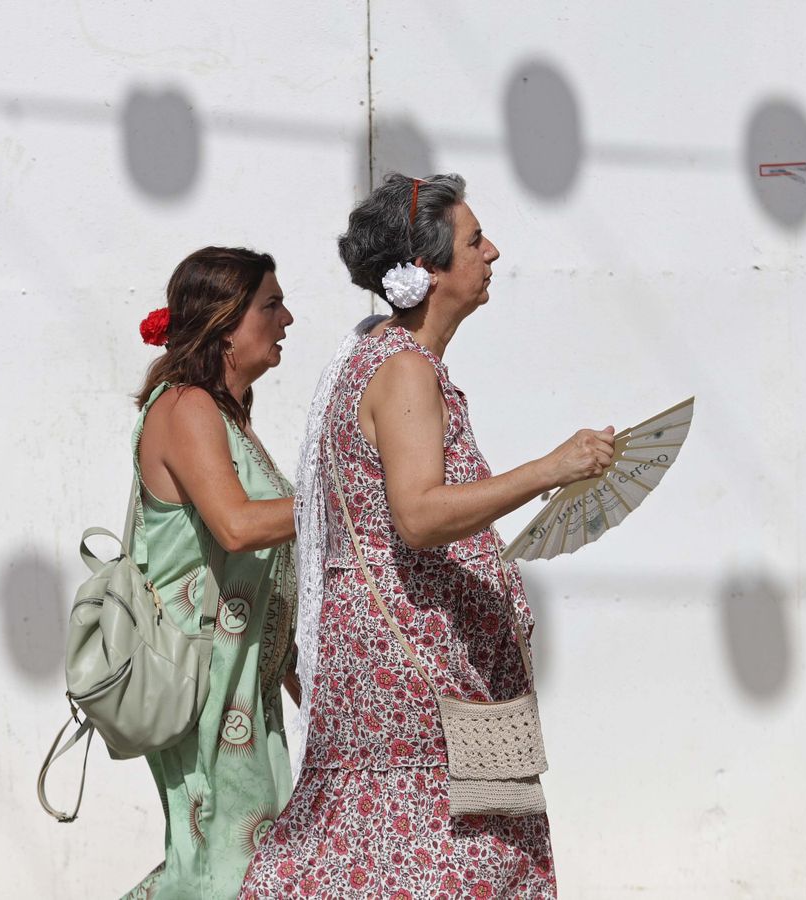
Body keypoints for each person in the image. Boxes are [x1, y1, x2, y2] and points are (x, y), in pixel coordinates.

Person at [240, 174, 614, 898]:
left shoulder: (375, 357)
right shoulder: (404, 370)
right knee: (452, 855)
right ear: (427, 270)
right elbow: (418, 514)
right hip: (414, 685)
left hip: (400, 673)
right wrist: (551, 468)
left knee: (384, 852)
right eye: (475, 242)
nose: (493, 253)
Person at [122, 247, 302, 899]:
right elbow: (236, 526)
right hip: (204, 681)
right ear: (227, 323)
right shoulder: (188, 407)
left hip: (243, 682)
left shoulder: (227, 415)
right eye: (272, 305)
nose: (287, 320)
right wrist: (347, 495)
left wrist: (294, 669)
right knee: (222, 868)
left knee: (230, 863)